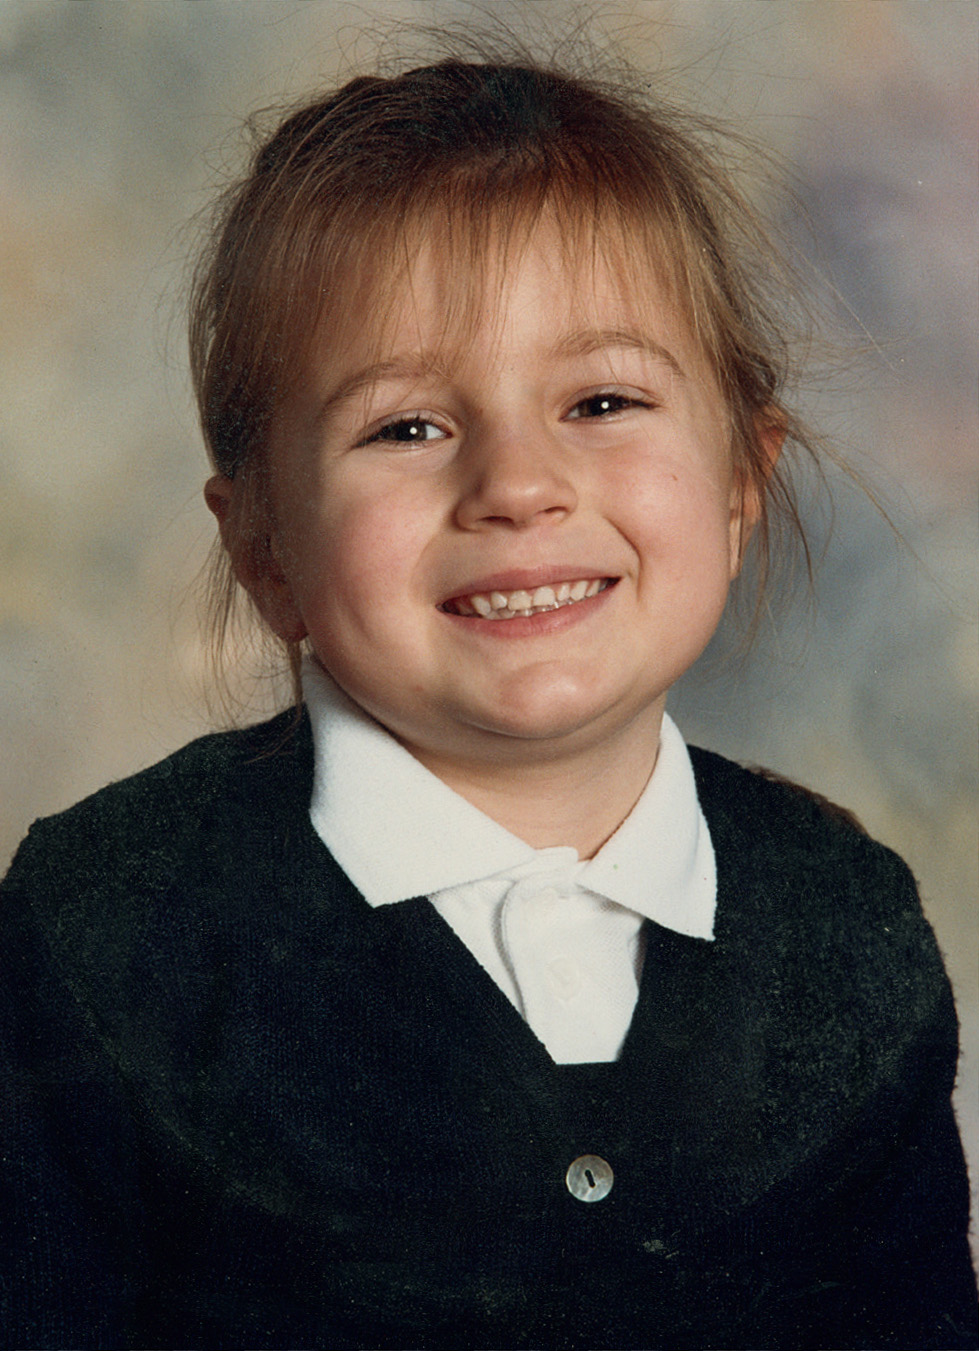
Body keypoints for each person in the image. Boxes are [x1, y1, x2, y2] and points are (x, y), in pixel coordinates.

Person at [1, 49, 975, 1351]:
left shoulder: (847, 935)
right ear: (265, 547)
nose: (518, 484)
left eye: (603, 400)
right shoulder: (105, 930)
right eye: (406, 426)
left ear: (745, 480)